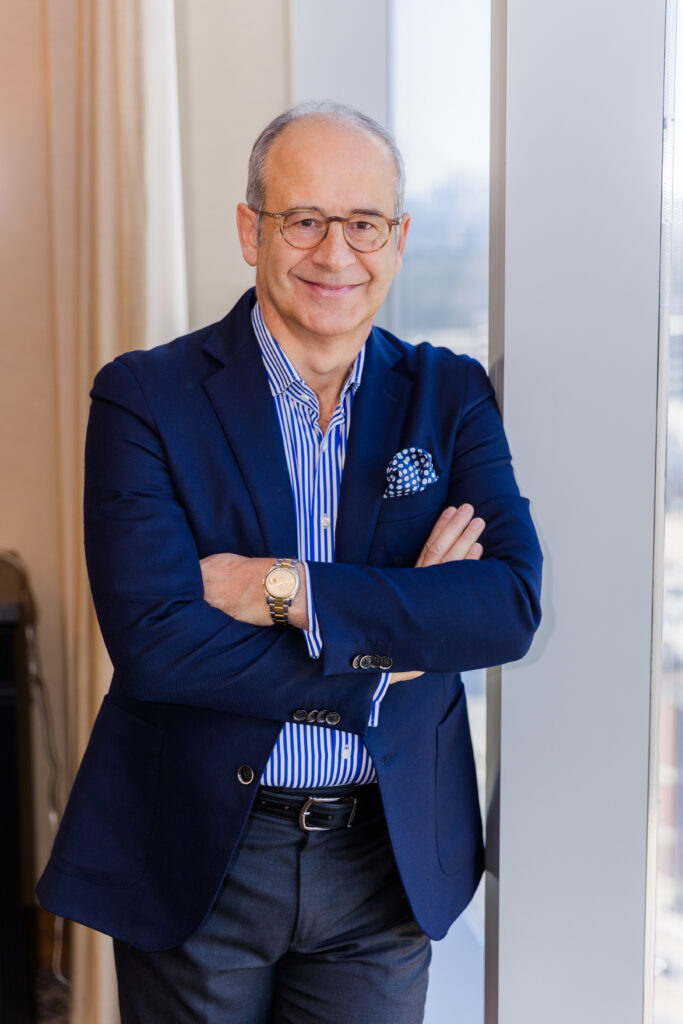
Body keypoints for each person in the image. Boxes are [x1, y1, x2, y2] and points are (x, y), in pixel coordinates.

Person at [37, 102, 542, 1023]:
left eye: (363, 224)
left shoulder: (449, 394)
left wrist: (287, 589)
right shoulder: (146, 398)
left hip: (385, 860)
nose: (334, 254)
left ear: (398, 238)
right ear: (250, 230)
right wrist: (390, 647)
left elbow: (504, 605)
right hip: (199, 849)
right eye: (303, 220)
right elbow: (158, 644)